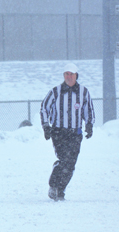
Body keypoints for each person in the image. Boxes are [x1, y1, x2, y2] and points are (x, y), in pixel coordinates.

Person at [40, 62, 95, 201]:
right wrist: (46, 126)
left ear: (76, 76)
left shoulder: (84, 92)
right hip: (59, 132)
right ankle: (53, 185)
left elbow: (88, 110)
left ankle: (60, 190)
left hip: (75, 133)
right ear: (63, 76)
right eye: (66, 74)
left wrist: (89, 125)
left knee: (71, 164)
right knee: (64, 160)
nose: (69, 77)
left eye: (71, 74)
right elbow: (44, 108)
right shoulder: (55, 91)